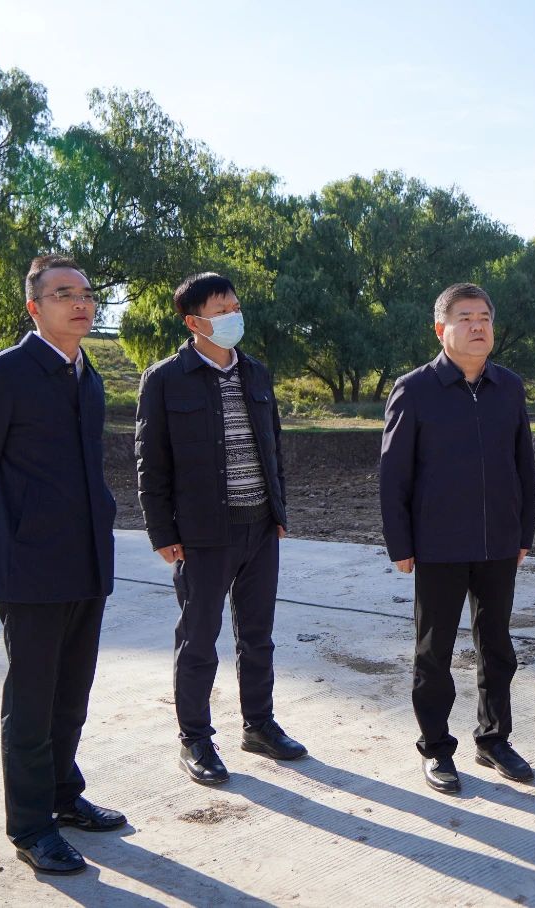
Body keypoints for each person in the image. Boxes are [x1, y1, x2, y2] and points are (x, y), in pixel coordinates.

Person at [0, 254, 125, 875]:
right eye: (63, 293)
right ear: (34, 307)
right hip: (31, 565)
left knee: (72, 692)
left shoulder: (87, 375)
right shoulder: (1, 375)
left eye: (86, 293)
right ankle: (31, 826)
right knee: (30, 700)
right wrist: (7, 535)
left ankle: (63, 795)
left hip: (87, 557)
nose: (80, 303)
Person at [135, 272, 304, 787]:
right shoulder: (165, 380)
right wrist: (162, 532)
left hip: (260, 527)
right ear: (194, 322)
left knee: (258, 637)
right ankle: (195, 738)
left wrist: (278, 511)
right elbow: (150, 463)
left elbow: (272, 446)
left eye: (235, 306)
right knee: (198, 639)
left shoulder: (256, 373)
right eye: (221, 310)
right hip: (203, 534)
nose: (234, 316)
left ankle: (259, 726)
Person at [379, 282, 535, 794]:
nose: (477, 327)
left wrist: (524, 531)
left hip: (499, 543)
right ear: (440, 329)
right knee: (435, 653)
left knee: (498, 648)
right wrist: (401, 543)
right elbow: (394, 475)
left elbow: (523, 465)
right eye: (465, 318)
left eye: (484, 318)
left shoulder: (508, 387)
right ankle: (435, 747)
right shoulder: (415, 389)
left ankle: (494, 739)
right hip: (439, 545)